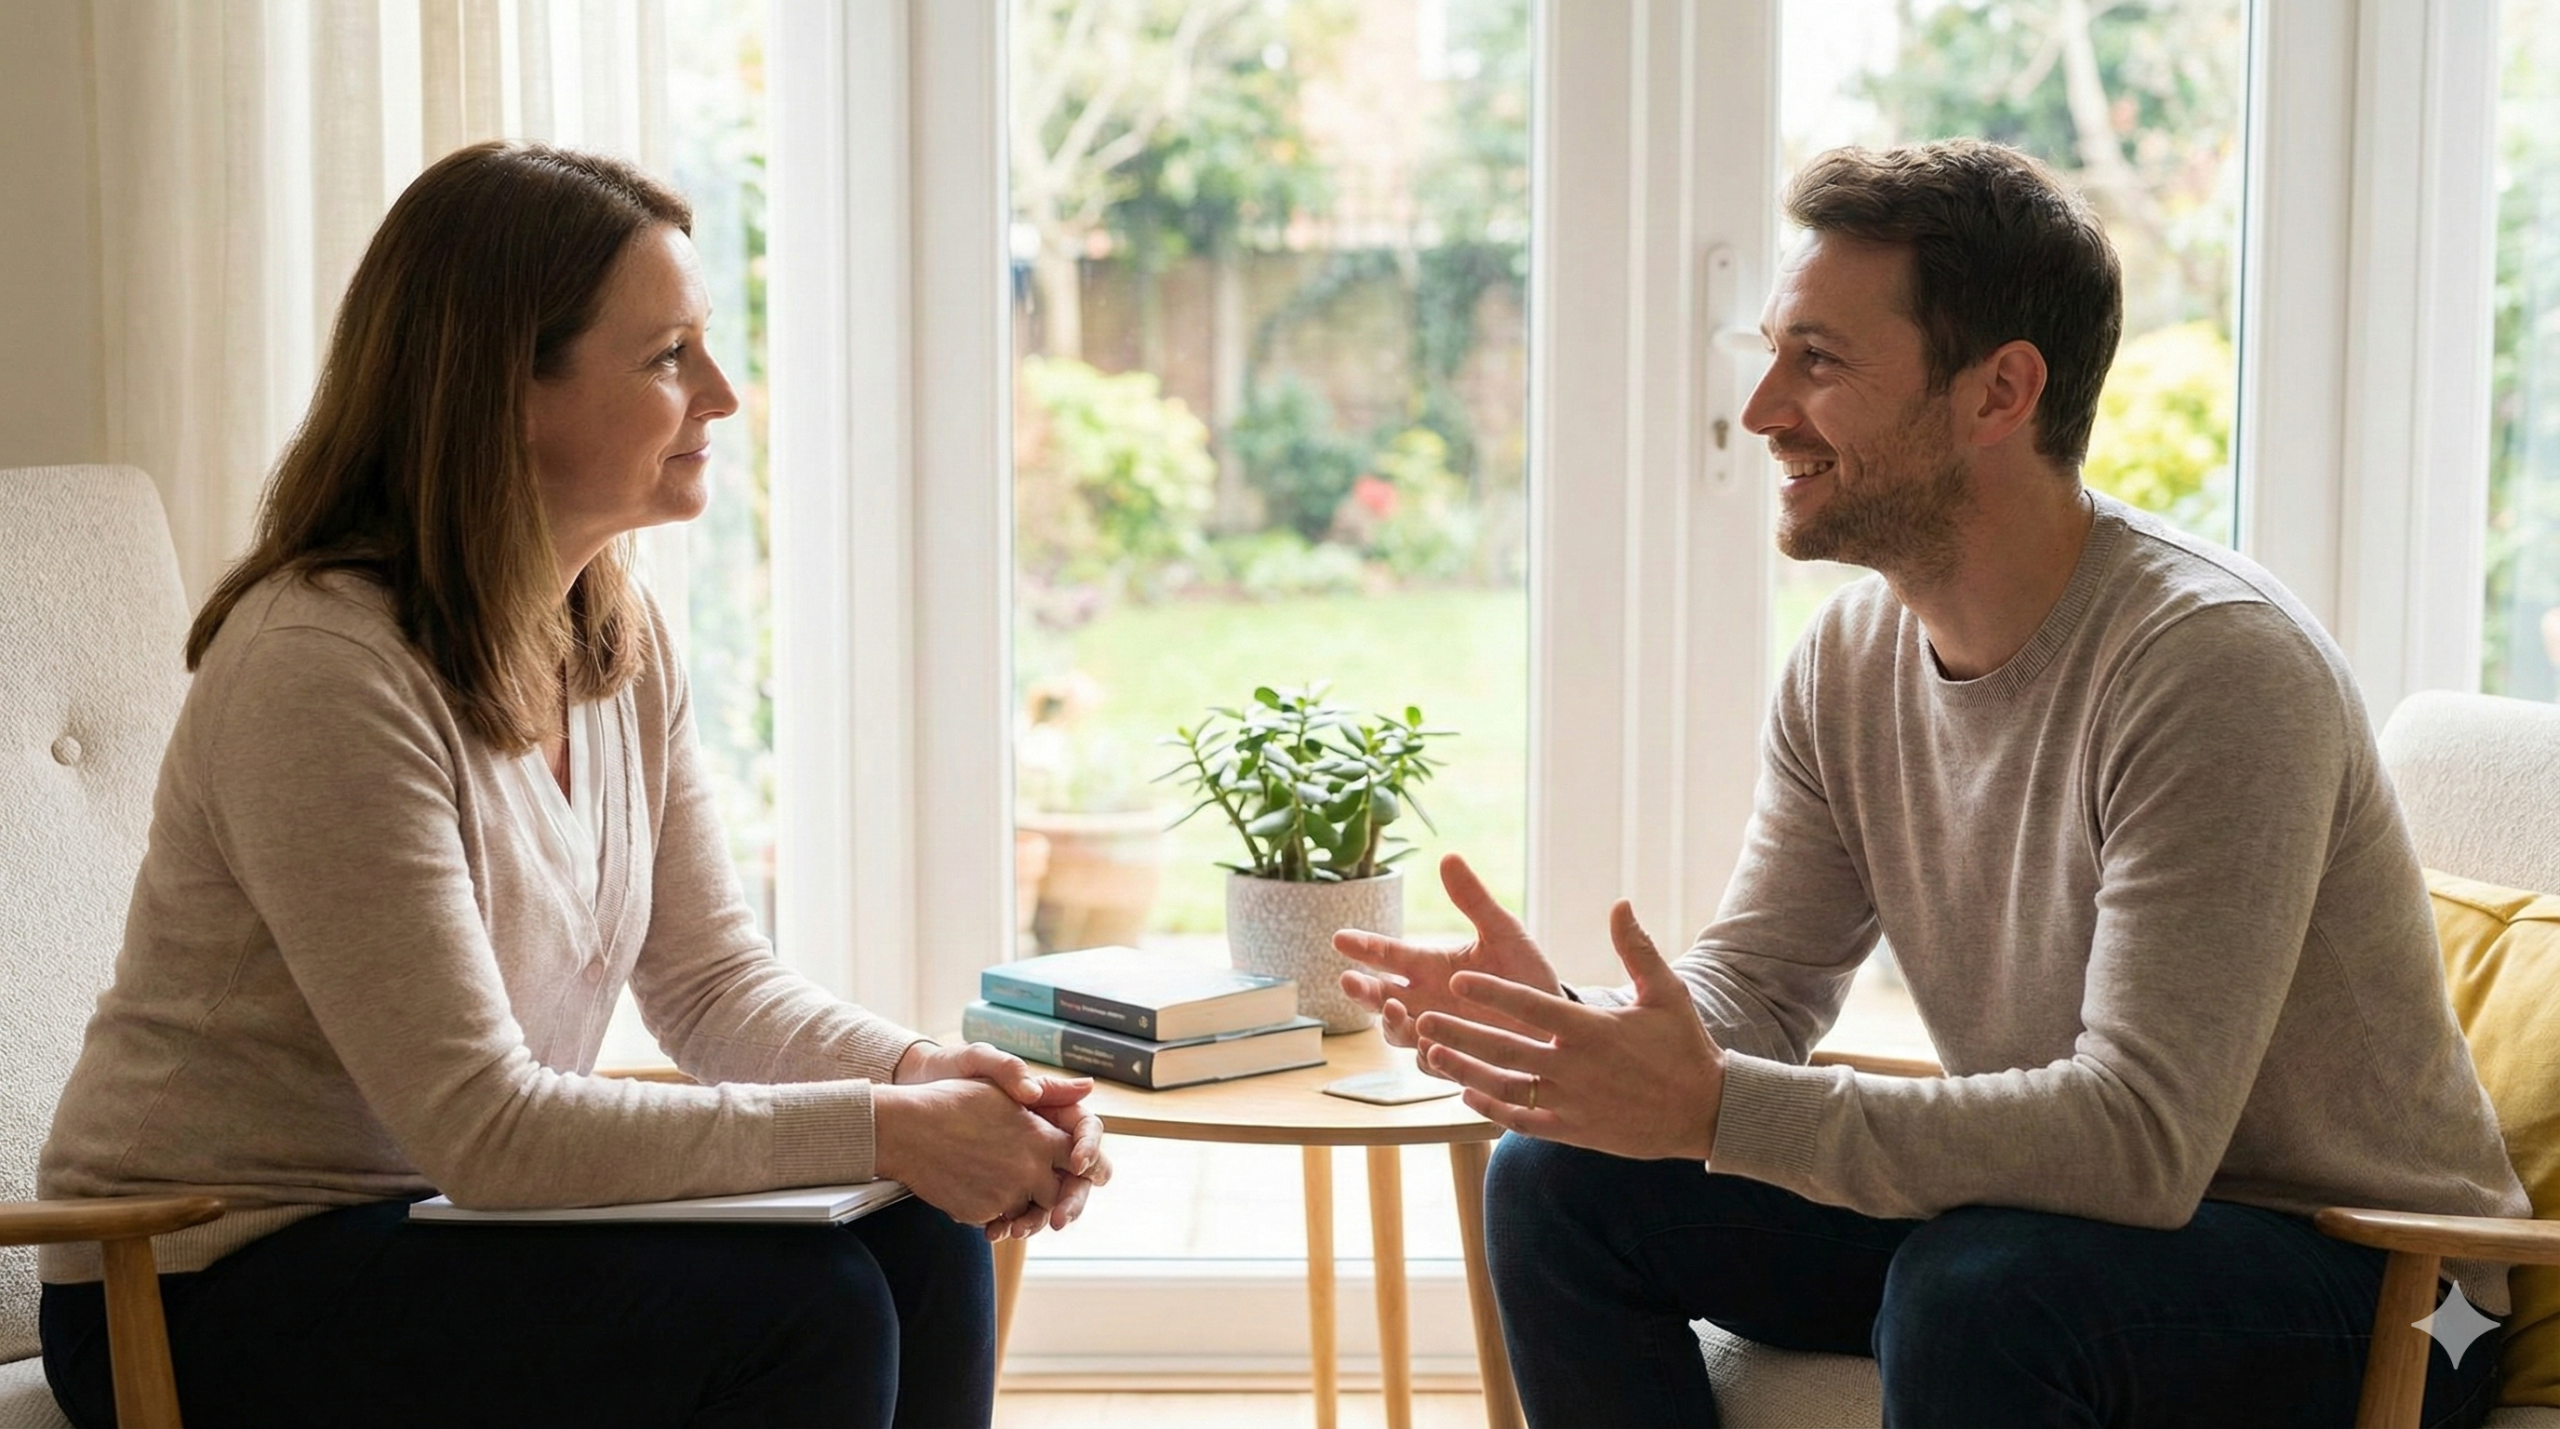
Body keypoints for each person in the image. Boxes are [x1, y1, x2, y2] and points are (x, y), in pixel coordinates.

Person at [1336, 139, 2530, 1428]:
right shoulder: (1852, 660)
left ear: (2000, 391)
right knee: (1556, 1178)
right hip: (2066, 1230)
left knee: (1981, 1291)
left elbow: (2139, 1140)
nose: (1761, 413)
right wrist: (1580, 1041)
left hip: (2386, 1286)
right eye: (1775, 354)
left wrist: (1723, 1107)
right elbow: (1763, 985)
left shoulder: (2211, 669)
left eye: (1821, 361)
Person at [36, 141, 1104, 1429]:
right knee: (804, 1305)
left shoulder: (613, 635)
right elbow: (489, 1128)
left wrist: (940, 1078)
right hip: (210, 1286)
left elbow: (713, 986)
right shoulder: (322, 665)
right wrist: (890, 1126)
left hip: (441, 1233)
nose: (721, 393)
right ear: (506, 391)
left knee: (921, 1244)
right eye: (667, 358)